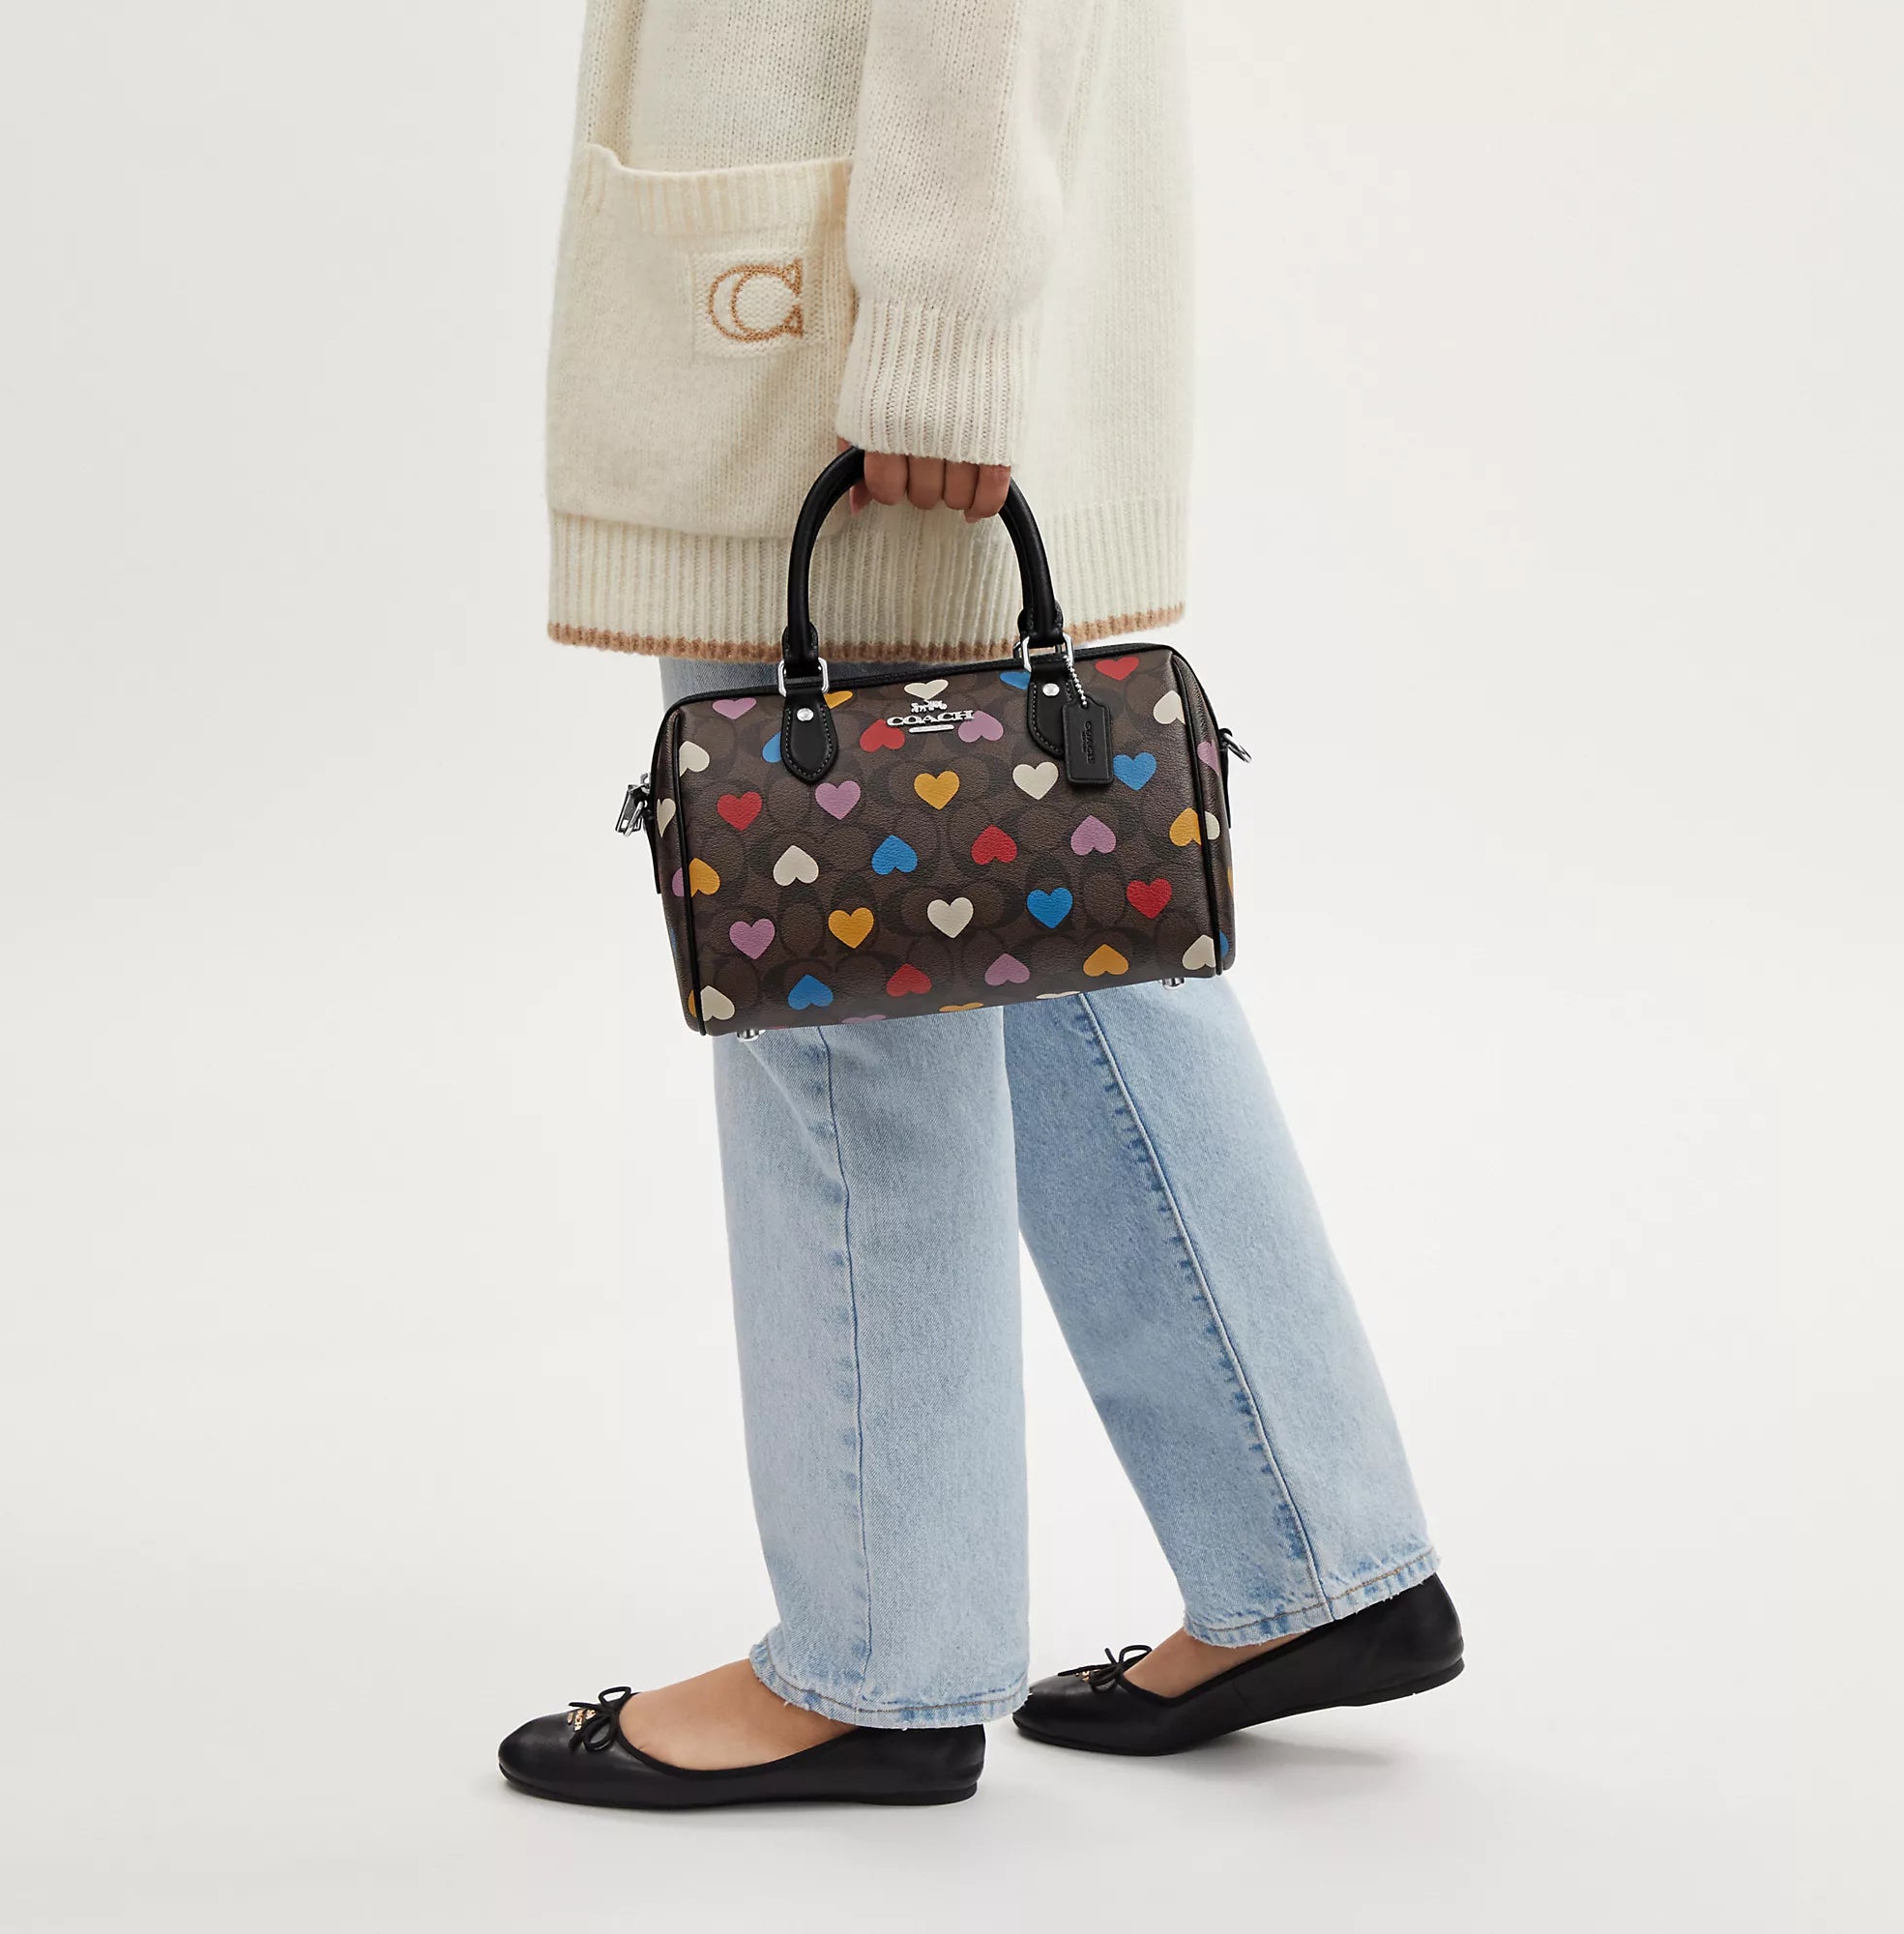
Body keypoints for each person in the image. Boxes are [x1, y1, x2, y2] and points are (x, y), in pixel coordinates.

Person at [499, 0, 1461, 1810]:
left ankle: (882, 1656)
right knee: (1051, 901)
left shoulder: (915, 318)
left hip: (857, 303)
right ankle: (1312, 1546)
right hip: (884, 263)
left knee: (845, 952)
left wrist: (940, 320)